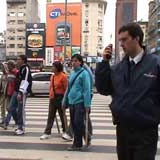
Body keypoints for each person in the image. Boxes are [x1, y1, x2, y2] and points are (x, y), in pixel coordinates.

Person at [95, 22, 160, 160]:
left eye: (124, 39)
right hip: (123, 130)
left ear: (137, 38)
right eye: (120, 41)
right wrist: (104, 63)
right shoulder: (118, 68)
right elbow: (103, 89)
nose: (121, 44)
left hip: (145, 131)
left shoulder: (155, 64)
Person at [62, 54, 92, 151]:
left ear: (80, 62)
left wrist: (87, 104)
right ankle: (84, 139)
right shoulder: (72, 73)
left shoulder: (84, 74)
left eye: (75, 61)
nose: (73, 63)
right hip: (72, 102)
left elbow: (87, 90)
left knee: (78, 122)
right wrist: (64, 101)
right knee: (75, 124)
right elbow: (68, 88)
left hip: (80, 102)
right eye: (72, 61)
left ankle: (78, 143)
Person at [40, 61, 70, 140]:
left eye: (53, 66)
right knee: (50, 116)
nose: (52, 68)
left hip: (61, 98)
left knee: (62, 116)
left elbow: (66, 88)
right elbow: (51, 87)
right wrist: (50, 96)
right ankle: (47, 132)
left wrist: (65, 99)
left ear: (57, 68)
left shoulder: (63, 76)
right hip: (53, 98)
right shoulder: (52, 76)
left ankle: (65, 131)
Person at [5, 55, 32, 135]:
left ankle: (21, 127)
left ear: (23, 60)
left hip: (22, 92)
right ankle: (18, 123)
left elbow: (25, 81)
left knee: (20, 109)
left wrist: (21, 92)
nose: (17, 61)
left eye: (19, 59)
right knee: (10, 108)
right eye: (17, 59)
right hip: (16, 91)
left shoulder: (25, 69)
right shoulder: (20, 69)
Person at [0, 60, 18, 129]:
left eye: (8, 65)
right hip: (8, 93)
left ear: (12, 65)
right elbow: (7, 84)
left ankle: (6, 123)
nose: (7, 67)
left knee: (10, 108)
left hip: (15, 93)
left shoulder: (16, 72)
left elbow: (17, 83)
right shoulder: (9, 73)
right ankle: (17, 121)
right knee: (11, 109)